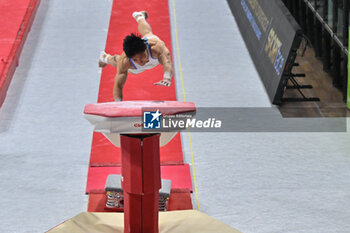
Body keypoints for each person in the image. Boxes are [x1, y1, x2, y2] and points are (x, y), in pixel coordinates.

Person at [98, 11, 173, 101]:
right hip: (134, 69)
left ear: (145, 48)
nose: (140, 62)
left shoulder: (156, 47)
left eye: (141, 57)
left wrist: (167, 77)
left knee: (148, 33)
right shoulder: (126, 61)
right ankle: (105, 57)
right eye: (135, 59)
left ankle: (140, 17)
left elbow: (167, 62)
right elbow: (118, 85)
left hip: (153, 54)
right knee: (118, 62)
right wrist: (118, 104)